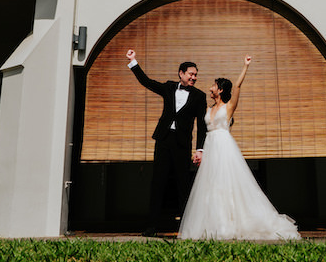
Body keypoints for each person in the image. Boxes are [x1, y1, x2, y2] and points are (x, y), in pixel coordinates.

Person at [178, 55, 301, 241]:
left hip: (224, 148)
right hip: (210, 147)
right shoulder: (207, 109)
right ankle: (214, 225)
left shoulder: (228, 107)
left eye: (214, 84)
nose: (210, 86)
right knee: (211, 188)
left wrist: (245, 66)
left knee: (227, 185)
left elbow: (237, 87)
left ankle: (233, 223)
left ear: (219, 89)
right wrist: (200, 150)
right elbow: (201, 130)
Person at [126, 49, 208, 237]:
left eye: (196, 75)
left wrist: (200, 149)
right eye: (191, 74)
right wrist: (133, 62)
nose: (194, 77)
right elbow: (147, 82)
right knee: (158, 182)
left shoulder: (199, 96)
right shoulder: (169, 87)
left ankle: (187, 228)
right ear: (181, 73)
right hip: (163, 140)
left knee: (183, 184)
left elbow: (201, 125)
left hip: (182, 143)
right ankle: (152, 227)